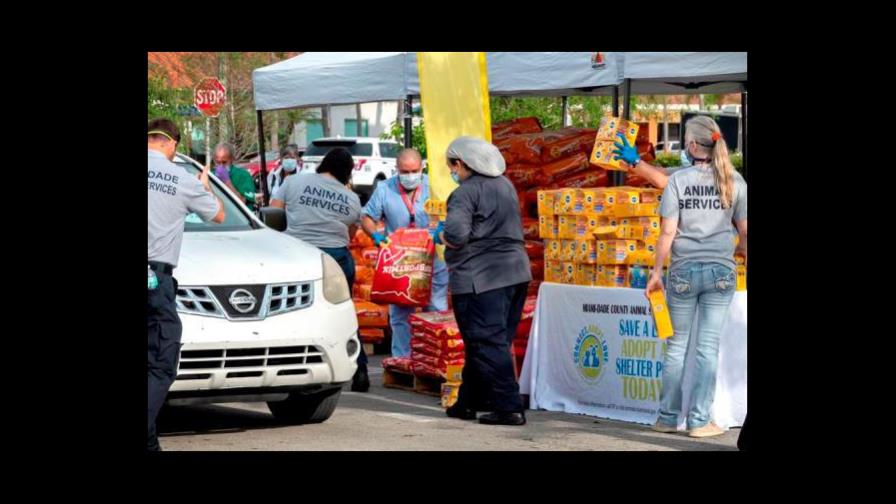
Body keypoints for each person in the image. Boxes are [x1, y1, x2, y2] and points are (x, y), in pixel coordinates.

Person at [635, 116, 747, 438]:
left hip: (682, 271)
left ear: (693, 145)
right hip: (721, 272)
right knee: (707, 348)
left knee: (675, 346)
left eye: (686, 141)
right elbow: (745, 231)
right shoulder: (735, 181)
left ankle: (667, 418)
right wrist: (740, 250)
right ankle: (699, 422)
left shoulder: (679, 181)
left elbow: (667, 233)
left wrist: (656, 272)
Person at [435, 136, 532, 426]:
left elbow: (456, 235)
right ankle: (470, 402)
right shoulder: (505, 185)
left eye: (452, 165)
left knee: (486, 343)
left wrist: (440, 235)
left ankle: (508, 407)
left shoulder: (465, 193)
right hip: (515, 273)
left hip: (480, 277)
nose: (452, 171)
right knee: (487, 342)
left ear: (461, 163)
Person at [147, 118, 225, 450]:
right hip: (154, 281)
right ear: (173, 144)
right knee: (161, 362)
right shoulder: (181, 178)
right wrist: (204, 187)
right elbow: (218, 215)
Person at [270, 147, 370, 392]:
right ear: (347, 172)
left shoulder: (293, 182)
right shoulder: (351, 199)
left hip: (297, 254)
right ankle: (361, 370)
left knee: (289, 311)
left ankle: (287, 365)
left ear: (324, 163)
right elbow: (350, 234)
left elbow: (272, 214)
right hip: (336, 259)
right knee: (342, 312)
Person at [361, 148, 449, 357]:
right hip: (400, 261)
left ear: (422, 168)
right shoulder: (385, 188)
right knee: (400, 315)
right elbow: (367, 217)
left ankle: (433, 359)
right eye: (405, 172)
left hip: (432, 258)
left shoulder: (434, 186)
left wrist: (442, 228)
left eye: (414, 171)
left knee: (435, 310)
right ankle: (402, 359)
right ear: (397, 169)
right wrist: (375, 235)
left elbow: (450, 215)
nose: (410, 176)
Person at [212, 142, 257, 210]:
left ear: (232, 159)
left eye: (224, 162)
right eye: (218, 162)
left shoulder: (243, 175)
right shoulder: (211, 176)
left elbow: (242, 202)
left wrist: (228, 182)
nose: (221, 166)